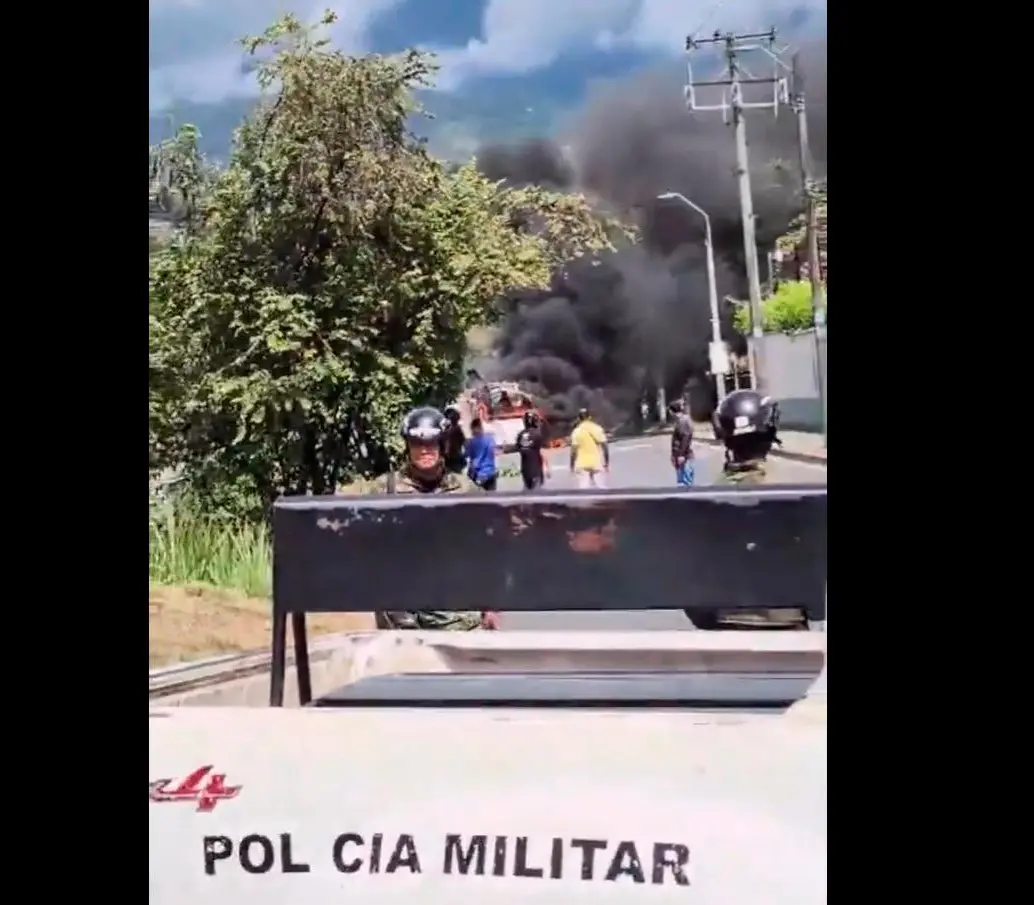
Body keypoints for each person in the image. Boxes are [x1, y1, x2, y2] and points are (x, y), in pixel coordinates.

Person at [365, 406, 500, 631]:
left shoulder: (465, 490)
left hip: (458, 619)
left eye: (431, 443)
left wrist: (492, 605)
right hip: (401, 619)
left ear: (442, 445)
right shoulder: (384, 490)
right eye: (417, 444)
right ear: (408, 446)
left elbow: (489, 549)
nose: (424, 450)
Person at [684, 390, 806, 631]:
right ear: (770, 432)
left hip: (722, 626)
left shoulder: (706, 501)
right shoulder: (793, 494)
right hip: (786, 627)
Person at [569, 407, 609, 489]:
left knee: (584, 489)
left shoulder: (576, 431)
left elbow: (573, 451)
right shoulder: (597, 428)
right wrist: (606, 463)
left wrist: (572, 465)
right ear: (590, 417)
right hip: (596, 462)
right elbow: (604, 446)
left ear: (579, 418)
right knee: (601, 488)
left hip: (582, 463)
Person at [515, 410, 550, 490]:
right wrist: (547, 468)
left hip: (525, 470)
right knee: (536, 497)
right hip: (536, 470)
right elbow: (542, 452)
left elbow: (518, 448)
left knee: (527, 495)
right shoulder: (537, 434)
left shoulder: (520, 434)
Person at [464, 418, 499, 491]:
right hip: (491, 472)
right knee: (492, 498)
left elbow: (472, 460)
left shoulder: (472, 442)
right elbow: (495, 453)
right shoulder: (490, 439)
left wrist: (470, 474)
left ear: (474, 428)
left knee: (479, 499)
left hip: (480, 475)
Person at [669, 398, 695, 487]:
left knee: (685, 483)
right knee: (681, 483)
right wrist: (673, 456)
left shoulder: (683, 421)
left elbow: (685, 438)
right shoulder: (680, 421)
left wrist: (681, 455)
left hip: (685, 457)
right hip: (681, 456)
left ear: (672, 411)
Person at [441, 405, 467, 474]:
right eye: (449, 414)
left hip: (455, 457)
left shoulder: (458, 429)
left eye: (453, 413)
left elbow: (464, 442)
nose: (451, 416)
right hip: (446, 459)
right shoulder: (445, 429)